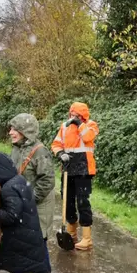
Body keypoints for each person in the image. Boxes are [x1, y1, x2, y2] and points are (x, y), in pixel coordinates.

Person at [9, 113, 55, 273]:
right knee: (20, 241)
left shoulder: (40, 152)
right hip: (24, 204)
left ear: (24, 132)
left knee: (38, 244)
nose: (10, 132)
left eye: (14, 129)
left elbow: (47, 180)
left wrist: (30, 199)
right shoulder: (16, 149)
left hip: (38, 206)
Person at [51, 102, 99, 251]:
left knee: (83, 201)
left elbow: (88, 137)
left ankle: (87, 238)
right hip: (68, 168)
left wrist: (79, 123)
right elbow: (56, 143)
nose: (73, 117)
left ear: (83, 115)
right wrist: (60, 153)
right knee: (67, 200)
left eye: (76, 115)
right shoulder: (64, 126)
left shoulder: (91, 125)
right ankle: (71, 233)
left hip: (84, 169)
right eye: (72, 114)